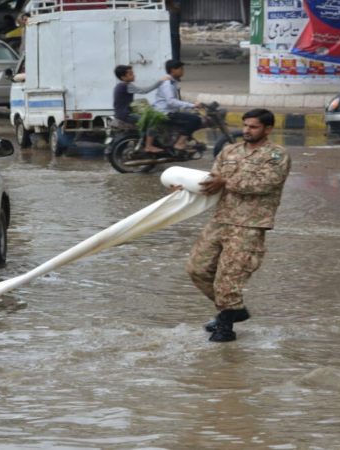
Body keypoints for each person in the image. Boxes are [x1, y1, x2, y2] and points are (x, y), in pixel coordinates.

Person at [186, 108, 291, 342]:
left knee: (229, 277)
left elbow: (265, 184)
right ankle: (233, 310)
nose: (247, 130)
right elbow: (212, 181)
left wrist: (226, 181)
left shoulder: (276, 155)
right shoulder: (229, 151)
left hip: (249, 224)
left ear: (268, 129)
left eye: (253, 127)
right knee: (197, 268)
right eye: (245, 125)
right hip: (220, 219)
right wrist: (185, 187)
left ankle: (225, 327)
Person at [113, 65, 169, 153]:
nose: (133, 75)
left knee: (144, 122)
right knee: (152, 121)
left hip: (122, 113)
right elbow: (144, 91)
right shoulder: (125, 86)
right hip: (125, 114)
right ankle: (148, 146)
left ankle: (142, 142)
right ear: (123, 77)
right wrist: (160, 82)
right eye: (130, 74)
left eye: (133, 73)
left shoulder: (121, 85)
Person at [153, 60, 202, 151]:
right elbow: (171, 101)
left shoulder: (173, 82)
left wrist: (190, 105)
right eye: (180, 69)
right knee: (195, 119)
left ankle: (182, 139)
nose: (183, 71)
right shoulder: (167, 84)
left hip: (168, 111)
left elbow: (176, 101)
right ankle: (180, 143)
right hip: (166, 113)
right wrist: (192, 105)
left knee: (190, 115)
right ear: (172, 70)